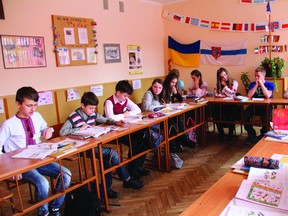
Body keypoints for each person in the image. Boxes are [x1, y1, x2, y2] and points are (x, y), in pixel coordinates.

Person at [0, 86, 71, 216]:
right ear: (17, 104)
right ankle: (43, 213)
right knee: (43, 183)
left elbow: (45, 128)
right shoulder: (8, 125)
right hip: (20, 164)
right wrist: (9, 170)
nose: (33, 109)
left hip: (40, 157)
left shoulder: (37, 116)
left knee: (66, 174)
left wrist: (49, 130)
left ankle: (55, 207)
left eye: (35, 105)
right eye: (29, 105)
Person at [59, 92, 144, 196]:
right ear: (82, 106)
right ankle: (127, 179)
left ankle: (106, 188)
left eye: (94, 108)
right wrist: (79, 129)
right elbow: (62, 132)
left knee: (107, 159)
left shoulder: (92, 114)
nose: (93, 111)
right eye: (90, 108)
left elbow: (104, 119)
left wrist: (115, 122)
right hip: (81, 148)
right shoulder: (75, 116)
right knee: (113, 154)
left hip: (92, 144)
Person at [104, 80, 150, 179]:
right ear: (118, 93)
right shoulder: (109, 102)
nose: (127, 98)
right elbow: (110, 118)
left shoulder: (125, 100)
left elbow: (137, 110)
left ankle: (138, 166)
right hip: (113, 132)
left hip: (125, 129)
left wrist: (127, 114)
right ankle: (132, 169)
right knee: (134, 143)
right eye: (125, 96)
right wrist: (124, 115)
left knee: (144, 139)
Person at [244, 66, 274, 145]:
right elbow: (249, 96)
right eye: (255, 76)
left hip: (266, 107)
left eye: (258, 76)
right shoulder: (253, 84)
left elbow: (268, 95)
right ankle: (252, 135)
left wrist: (262, 84)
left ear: (264, 76)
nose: (256, 78)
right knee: (244, 116)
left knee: (266, 119)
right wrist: (256, 85)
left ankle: (262, 135)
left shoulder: (270, 84)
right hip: (254, 106)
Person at [213, 67, 239, 141]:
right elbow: (216, 94)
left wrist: (225, 87)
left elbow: (232, 94)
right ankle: (221, 133)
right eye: (222, 77)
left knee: (231, 113)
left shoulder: (234, 82)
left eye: (225, 75)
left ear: (227, 73)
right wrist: (225, 94)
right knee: (215, 113)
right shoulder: (217, 84)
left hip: (231, 105)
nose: (224, 77)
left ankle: (230, 133)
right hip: (221, 105)